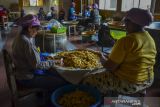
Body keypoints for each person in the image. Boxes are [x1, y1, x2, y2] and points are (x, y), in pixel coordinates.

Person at [82, 8, 157, 95]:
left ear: (134, 23)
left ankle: (104, 99)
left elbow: (110, 67)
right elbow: (133, 57)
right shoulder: (149, 38)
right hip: (148, 80)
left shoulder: (127, 40)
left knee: (87, 79)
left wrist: (101, 58)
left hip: (130, 83)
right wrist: (108, 56)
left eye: (127, 22)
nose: (125, 25)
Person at [12, 14, 68, 91]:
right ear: (29, 28)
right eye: (36, 29)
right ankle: (49, 99)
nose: (37, 32)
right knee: (60, 81)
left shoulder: (19, 36)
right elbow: (38, 65)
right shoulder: (27, 42)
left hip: (21, 73)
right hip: (27, 78)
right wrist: (53, 62)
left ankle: (44, 92)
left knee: (53, 72)